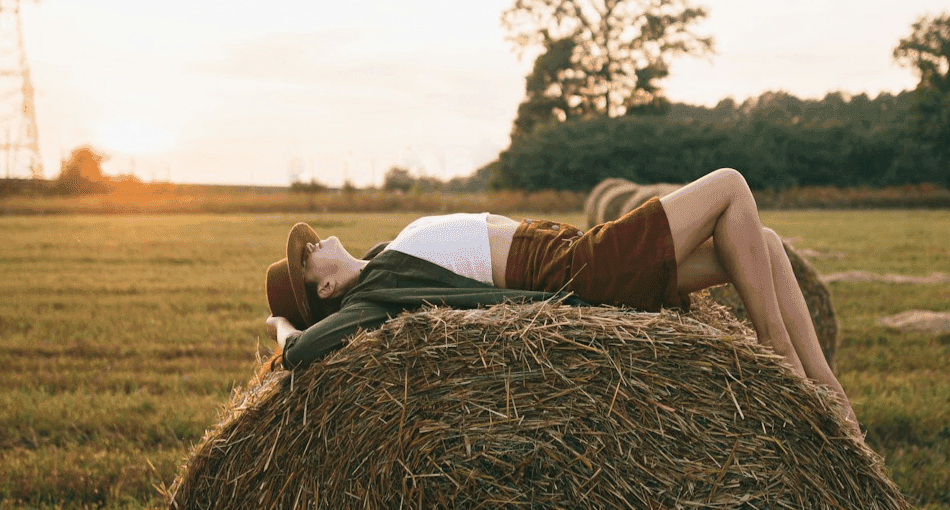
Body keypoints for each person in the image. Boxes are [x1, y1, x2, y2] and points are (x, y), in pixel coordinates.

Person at [266, 168, 854, 423]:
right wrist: (281, 326)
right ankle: (780, 356)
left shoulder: (382, 256)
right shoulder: (376, 290)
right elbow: (299, 352)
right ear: (327, 286)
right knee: (729, 186)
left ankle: (830, 398)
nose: (314, 243)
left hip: (575, 251)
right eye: (307, 257)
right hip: (581, 268)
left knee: (764, 244)